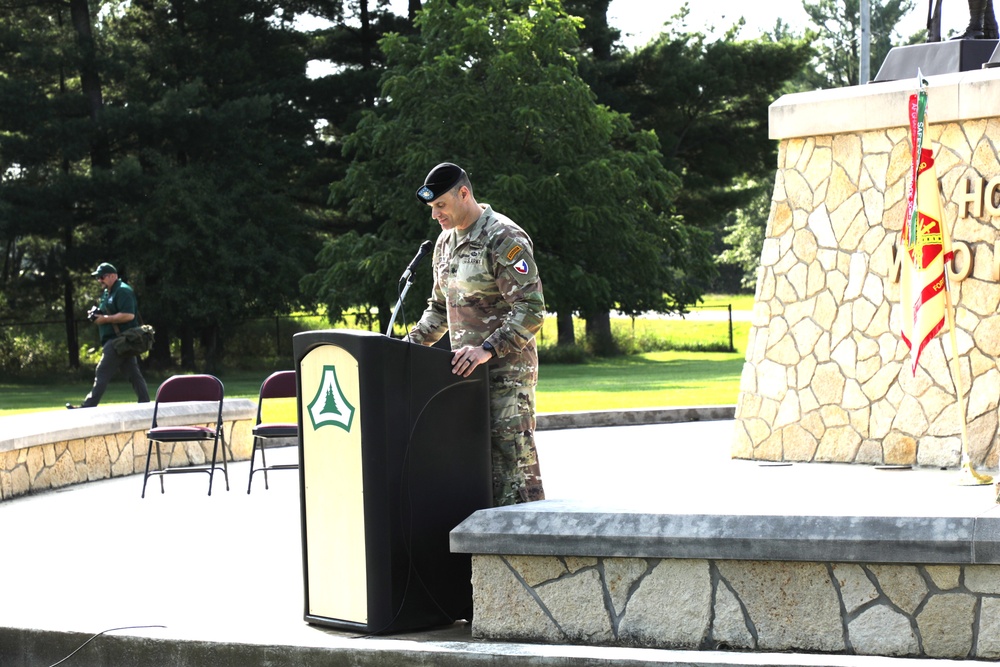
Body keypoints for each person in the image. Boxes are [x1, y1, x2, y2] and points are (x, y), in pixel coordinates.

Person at [406, 163, 545, 506]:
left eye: (441, 205)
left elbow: (531, 309)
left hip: (506, 375)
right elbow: (439, 309)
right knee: (475, 469)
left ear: (464, 194)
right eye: (431, 207)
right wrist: (403, 349)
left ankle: (525, 552)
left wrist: (487, 348)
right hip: (464, 375)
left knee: (513, 470)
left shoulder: (503, 237)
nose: (435, 214)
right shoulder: (444, 243)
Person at [67, 262, 150, 409]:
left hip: (121, 339)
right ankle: (145, 403)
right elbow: (107, 311)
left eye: (102, 276)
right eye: (98, 277)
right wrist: (96, 314)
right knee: (133, 373)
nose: (99, 280)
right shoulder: (108, 292)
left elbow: (129, 315)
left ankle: (88, 406)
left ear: (113, 276)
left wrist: (104, 319)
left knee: (102, 370)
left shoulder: (123, 291)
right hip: (118, 340)